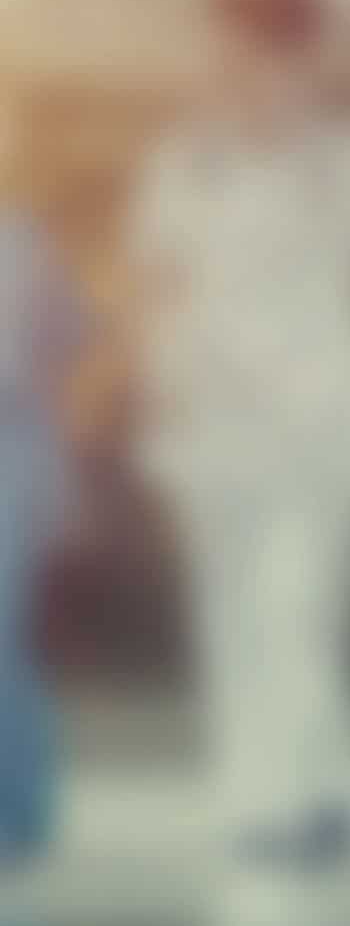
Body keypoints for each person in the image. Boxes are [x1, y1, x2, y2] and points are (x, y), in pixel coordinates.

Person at [129, 0, 350, 879]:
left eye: (259, 53)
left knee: (299, 609)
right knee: (234, 617)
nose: (238, 70)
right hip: (215, 418)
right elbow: (156, 286)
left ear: (302, 58)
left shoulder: (348, 157)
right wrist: (164, 389)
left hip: (324, 416)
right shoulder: (183, 161)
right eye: (225, 52)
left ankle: (292, 801)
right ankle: (297, 796)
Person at [0, 205, 83, 862]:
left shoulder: (23, 238)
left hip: (12, 442)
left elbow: (75, 331)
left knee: (6, 635)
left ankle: (19, 810)